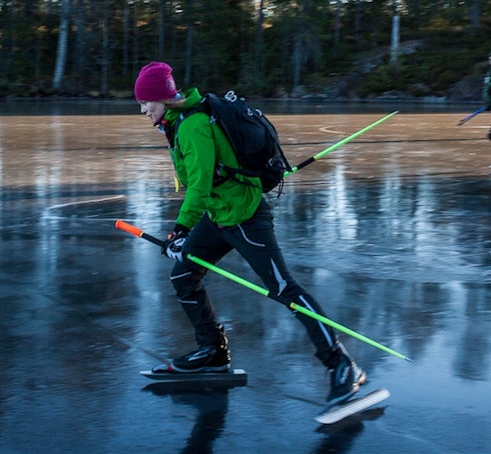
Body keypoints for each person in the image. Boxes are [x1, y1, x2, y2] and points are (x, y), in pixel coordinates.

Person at [134, 61, 367, 405]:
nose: (142, 109)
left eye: (145, 102)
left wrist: (180, 230)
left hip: (245, 218)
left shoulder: (192, 126)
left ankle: (341, 364)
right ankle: (212, 352)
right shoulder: (176, 124)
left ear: (164, 99)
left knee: (284, 288)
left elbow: (198, 186)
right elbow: (201, 184)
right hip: (219, 216)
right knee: (184, 276)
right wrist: (182, 233)